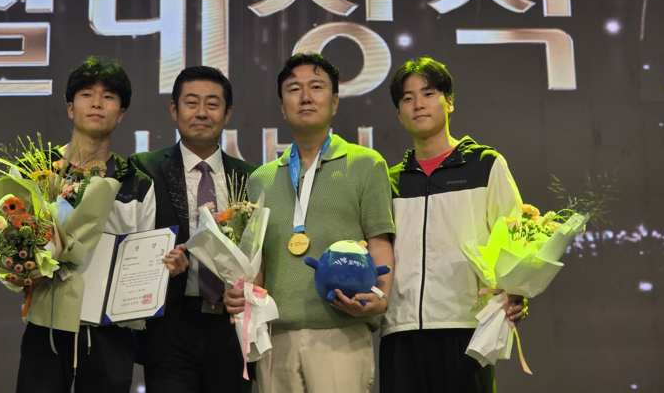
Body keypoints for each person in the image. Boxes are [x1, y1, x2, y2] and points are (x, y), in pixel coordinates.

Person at [225, 53, 395, 393]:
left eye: (316, 87)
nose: (305, 96)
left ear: (335, 102)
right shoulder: (261, 180)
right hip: (275, 335)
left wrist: (380, 296)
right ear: (282, 106)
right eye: (294, 89)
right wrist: (242, 293)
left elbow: (379, 242)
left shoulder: (366, 164)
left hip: (342, 330)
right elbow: (260, 260)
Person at [379, 57, 529, 393]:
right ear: (399, 114)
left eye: (428, 93)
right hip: (401, 332)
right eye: (407, 98)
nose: (418, 104)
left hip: (466, 329)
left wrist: (517, 291)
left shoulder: (485, 165)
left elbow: (517, 240)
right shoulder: (389, 180)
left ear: (449, 102)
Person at [16, 56, 160, 393]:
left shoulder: (136, 182)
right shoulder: (37, 170)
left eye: (109, 97)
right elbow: (14, 237)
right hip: (48, 324)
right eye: (86, 95)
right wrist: (22, 269)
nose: (97, 103)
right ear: (70, 108)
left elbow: (145, 257)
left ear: (121, 114)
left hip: (111, 334)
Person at [130, 66, 257, 393]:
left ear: (227, 113)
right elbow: (130, 243)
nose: (202, 112)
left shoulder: (250, 177)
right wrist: (161, 264)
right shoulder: (145, 169)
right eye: (191, 103)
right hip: (172, 327)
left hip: (232, 325)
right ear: (174, 109)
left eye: (212, 104)